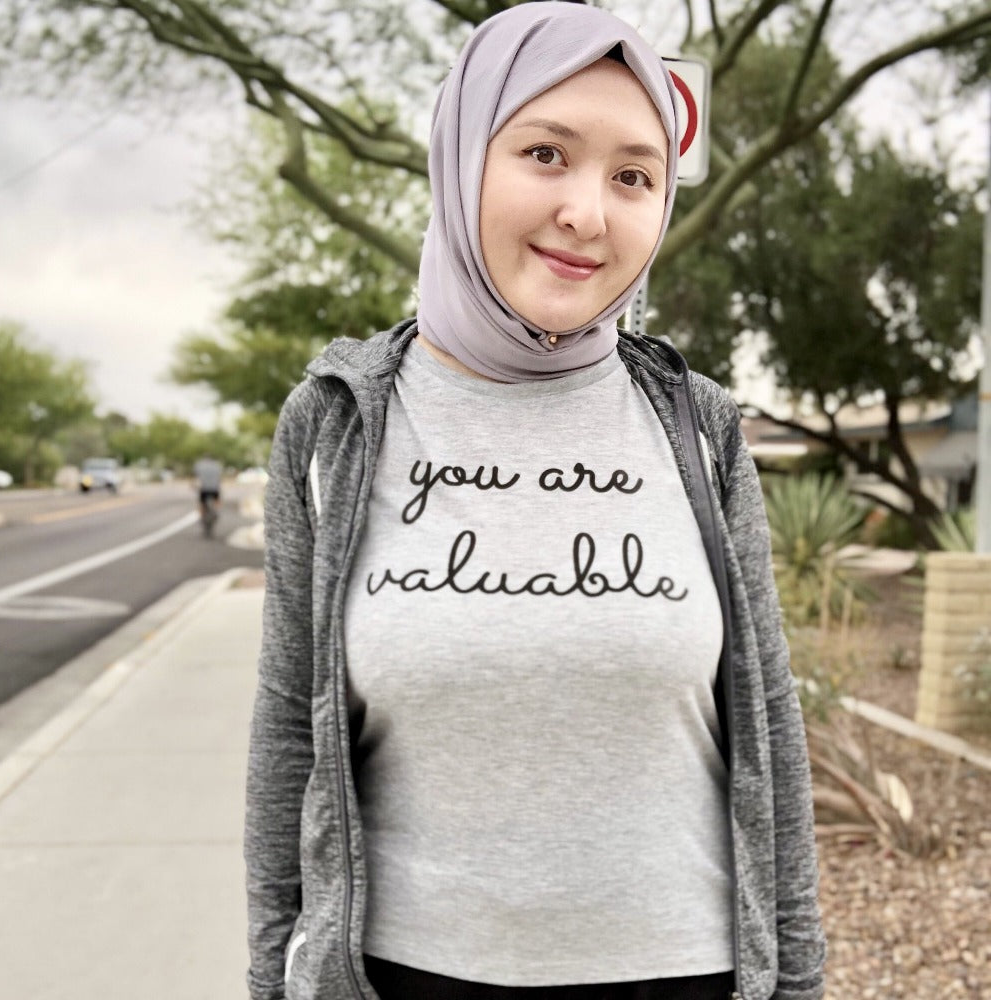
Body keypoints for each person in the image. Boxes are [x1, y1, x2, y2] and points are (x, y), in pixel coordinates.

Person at [244, 4, 825, 1000]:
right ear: (463, 153)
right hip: (401, 975)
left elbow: (766, 722)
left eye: (633, 175)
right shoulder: (333, 423)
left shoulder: (698, 425)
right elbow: (288, 742)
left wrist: (802, 982)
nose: (589, 213)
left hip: (682, 976)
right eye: (546, 154)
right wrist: (270, 980)